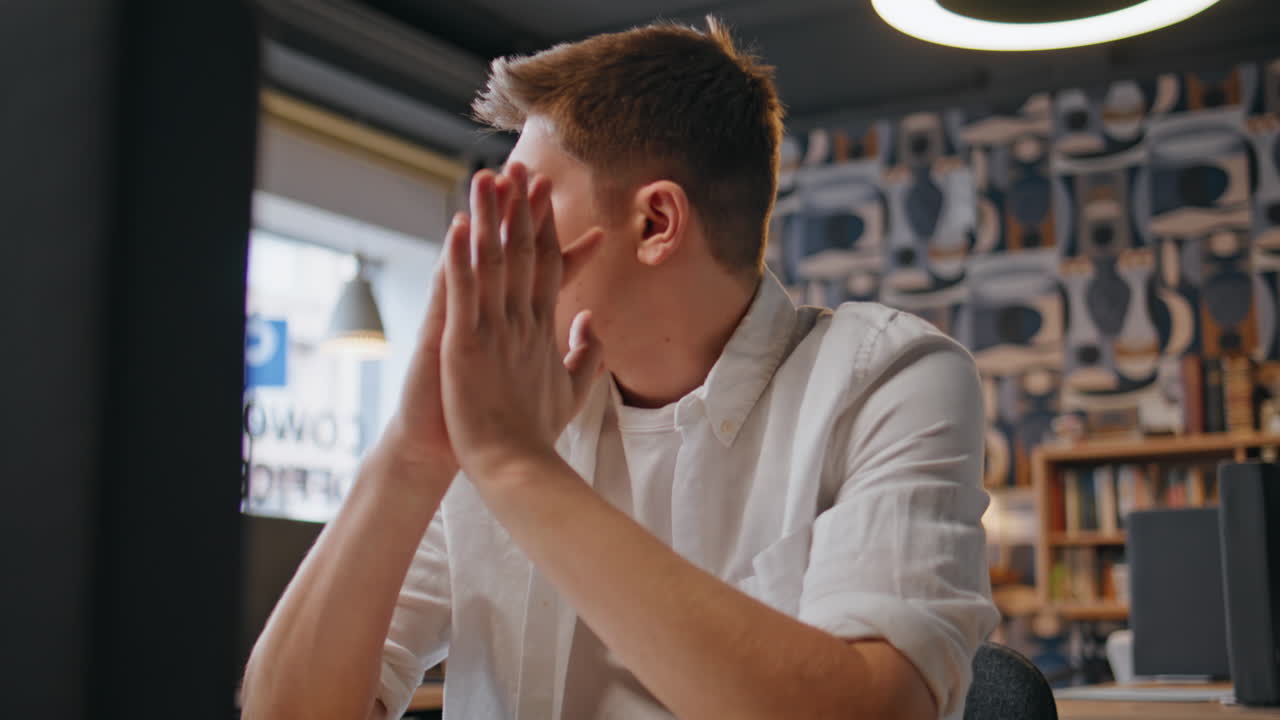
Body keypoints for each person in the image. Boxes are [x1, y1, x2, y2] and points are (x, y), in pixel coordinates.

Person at [241, 17, 998, 720]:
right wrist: (414, 451)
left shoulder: (888, 380)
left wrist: (517, 465)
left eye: (524, 207)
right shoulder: (500, 411)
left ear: (655, 223)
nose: (496, 244)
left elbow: (877, 709)